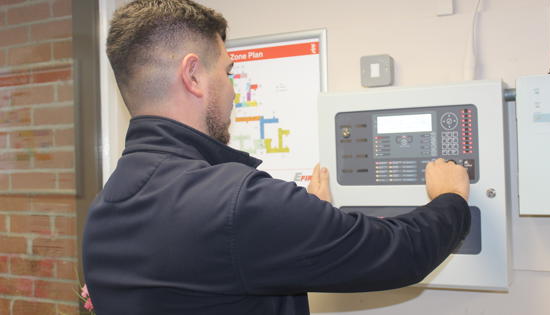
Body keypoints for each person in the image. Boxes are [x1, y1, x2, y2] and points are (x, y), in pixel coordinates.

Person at [82, 1, 471, 314]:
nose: (233, 89)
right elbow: (398, 252)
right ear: (194, 75)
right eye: (229, 71)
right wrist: (449, 199)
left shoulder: (105, 210)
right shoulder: (238, 204)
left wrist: (305, 224)